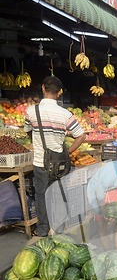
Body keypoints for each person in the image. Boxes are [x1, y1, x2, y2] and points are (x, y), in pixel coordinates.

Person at [24, 76, 86, 237]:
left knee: (41, 194)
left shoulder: (31, 111)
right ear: (59, 93)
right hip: (59, 163)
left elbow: (28, 131)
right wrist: (68, 152)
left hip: (40, 161)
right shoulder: (65, 114)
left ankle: (43, 229)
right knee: (58, 193)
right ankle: (58, 227)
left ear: (43, 88)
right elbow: (81, 136)